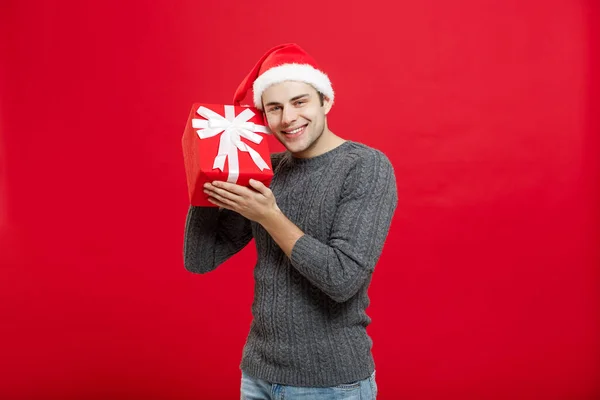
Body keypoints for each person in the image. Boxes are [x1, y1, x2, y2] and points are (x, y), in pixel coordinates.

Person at [183, 43, 397, 399]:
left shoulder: (366, 167)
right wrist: (206, 176)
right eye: (275, 108)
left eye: (300, 102)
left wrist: (269, 215)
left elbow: (342, 278)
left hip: (331, 383)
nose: (288, 119)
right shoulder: (268, 171)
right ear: (263, 117)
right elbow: (201, 260)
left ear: (325, 101)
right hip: (258, 376)